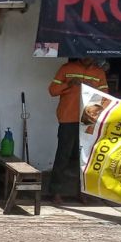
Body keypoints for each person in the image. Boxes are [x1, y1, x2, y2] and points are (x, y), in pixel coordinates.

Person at [47, 57, 108, 205]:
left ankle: (82, 193)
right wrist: (69, 83)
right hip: (67, 118)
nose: (86, 56)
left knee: (84, 159)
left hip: (88, 120)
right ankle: (55, 192)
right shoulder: (66, 68)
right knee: (63, 156)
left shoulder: (99, 72)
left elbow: (105, 98)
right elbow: (52, 91)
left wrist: (91, 88)